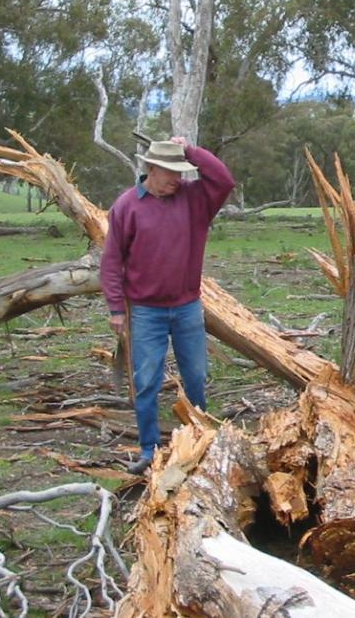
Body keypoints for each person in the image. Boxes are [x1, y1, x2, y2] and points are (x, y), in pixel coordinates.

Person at [100, 136, 236, 474]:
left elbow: (224, 180)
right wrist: (116, 308)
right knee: (146, 380)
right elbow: (112, 260)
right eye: (170, 172)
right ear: (151, 168)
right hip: (146, 311)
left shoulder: (195, 199)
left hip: (187, 307)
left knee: (196, 377)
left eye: (181, 171)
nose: (177, 178)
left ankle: (199, 441)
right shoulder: (127, 206)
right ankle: (149, 450)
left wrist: (190, 150)